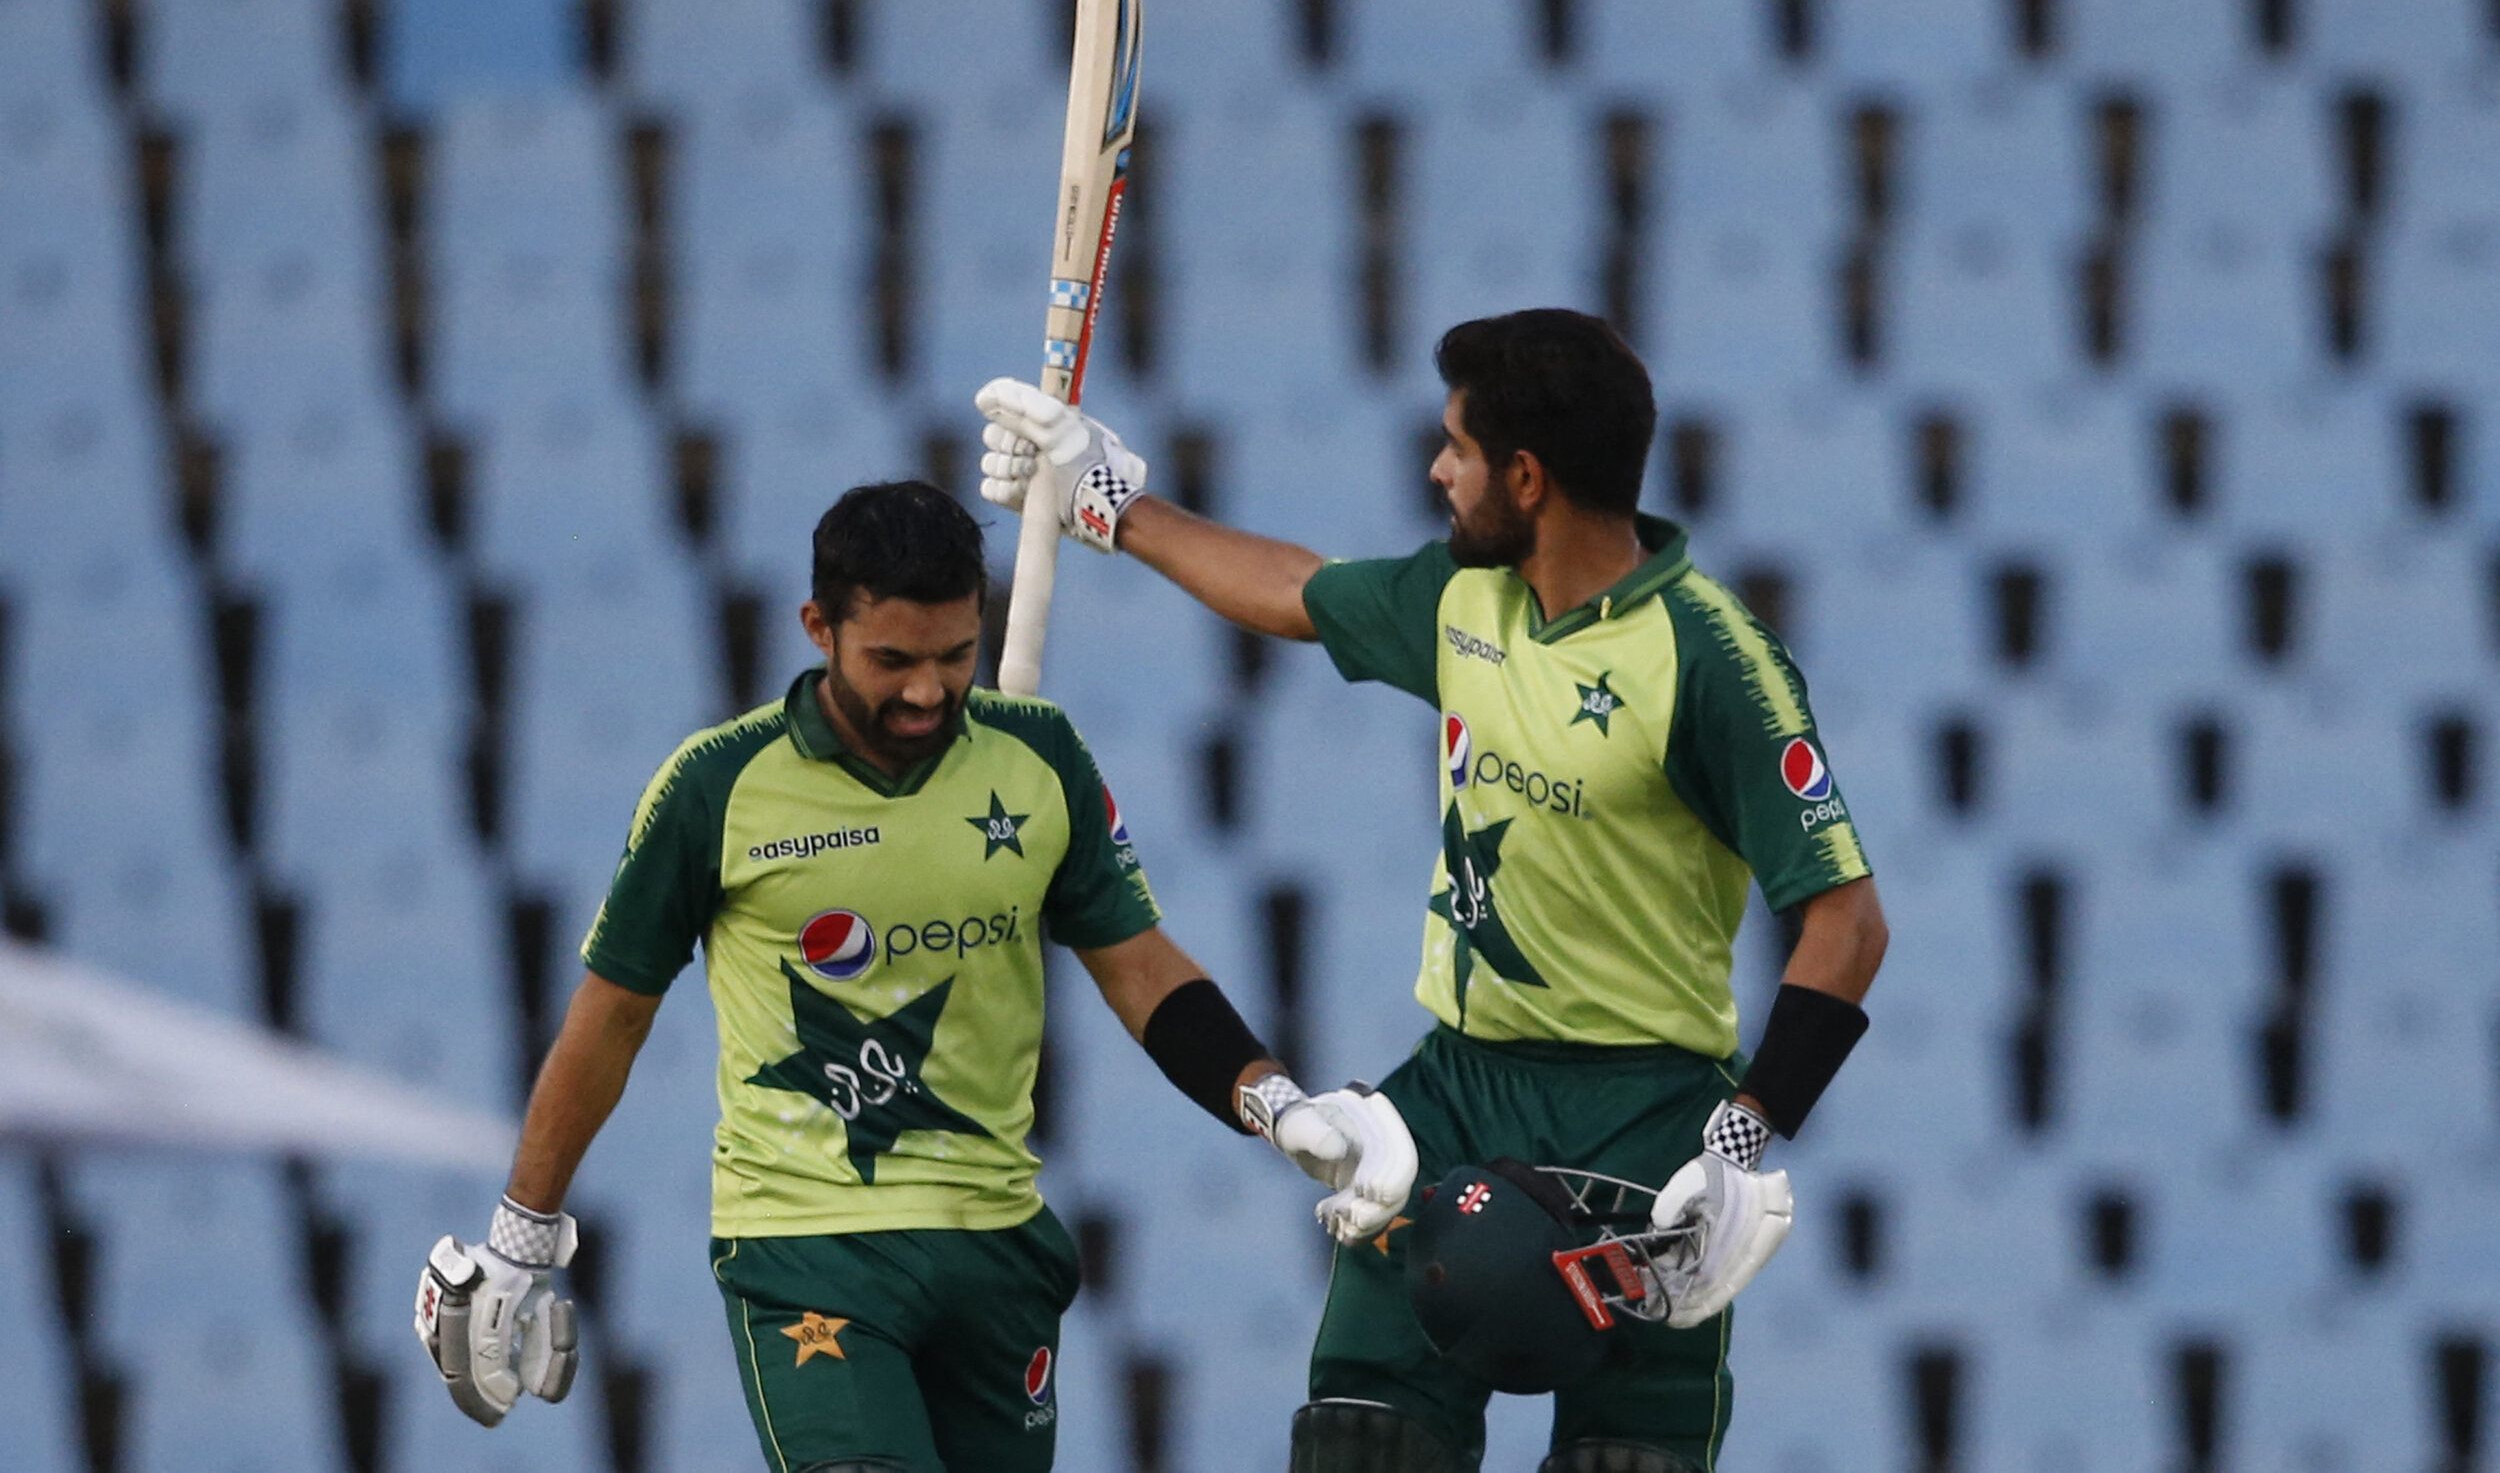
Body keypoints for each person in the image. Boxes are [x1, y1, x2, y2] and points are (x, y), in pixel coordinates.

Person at [974, 309, 1890, 1473]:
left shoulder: (1712, 659)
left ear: (1527, 476)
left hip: (1646, 1123)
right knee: (1360, 1440)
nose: (1437, 471)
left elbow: (1848, 920)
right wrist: (1108, 503)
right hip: (1454, 1096)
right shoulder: (1466, 601)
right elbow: (1296, 590)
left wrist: (1738, 1137)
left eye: (1457, 447)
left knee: (1627, 1461)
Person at [413, 480, 1416, 1473]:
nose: (929, 692)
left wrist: (1272, 1100)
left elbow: (1140, 968)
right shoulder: (717, 785)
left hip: (997, 1246)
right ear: (818, 627)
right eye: (892, 660)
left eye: (954, 655)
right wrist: (521, 1233)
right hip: (809, 1248)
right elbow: (612, 1017)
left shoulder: (1040, 756)